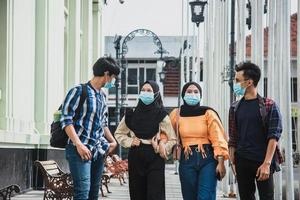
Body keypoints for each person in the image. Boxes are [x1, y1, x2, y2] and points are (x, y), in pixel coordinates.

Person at [60, 57, 120, 200]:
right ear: (106, 74)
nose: (113, 81)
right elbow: (66, 120)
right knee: (82, 192)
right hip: (79, 150)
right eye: (113, 77)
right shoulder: (79, 91)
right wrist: (78, 144)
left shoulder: (102, 96)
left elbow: (103, 123)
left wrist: (113, 141)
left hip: (97, 151)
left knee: (93, 193)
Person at [228, 62, 283, 200]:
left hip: (262, 161)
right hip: (242, 161)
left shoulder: (269, 105)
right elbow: (233, 138)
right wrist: (233, 163)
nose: (235, 84)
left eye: (237, 80)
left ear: (249, 82)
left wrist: (267, 164)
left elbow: (273, 137)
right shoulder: (234, 107)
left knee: (267, 197)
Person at [115, 80, 176, 200]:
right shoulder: (131, 114)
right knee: (137, 192)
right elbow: (119, 133)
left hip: (155, 155)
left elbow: (172, 138)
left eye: (149, 91)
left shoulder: (161, 115)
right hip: (136, 154)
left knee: (155, 193)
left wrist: (160, 147)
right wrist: (130, 141)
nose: (145, 93)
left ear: (156, 94)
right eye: (143, 90)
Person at [169, 81, 229, 200]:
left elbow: (218, 137)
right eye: (189, 92)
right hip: (186, 159)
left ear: (200, 95)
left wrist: (221, 162)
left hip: (208, 159)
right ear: (183, 95)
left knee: (205, 196)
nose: (193, 94)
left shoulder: (208, 113)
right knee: (189, 196)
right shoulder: (176, 114)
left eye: (196, 92)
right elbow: (169, 134)